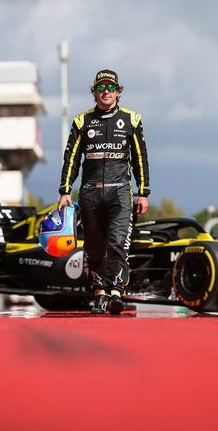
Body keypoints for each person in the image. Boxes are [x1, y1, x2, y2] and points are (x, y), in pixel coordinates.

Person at [57, 69, 150, 314]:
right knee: (95, 248)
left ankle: (117, 292)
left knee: (118, 242)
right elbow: (71, 159)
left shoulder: (132, 119)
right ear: (94, 92)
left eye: (110, 87)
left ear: (118, 92)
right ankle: (99, 294)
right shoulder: (81, 121)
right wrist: (65, 191)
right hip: (90, 193)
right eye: (100, 88)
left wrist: (144, 192)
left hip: (120, 192)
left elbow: (141, 159)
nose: (105, 92)